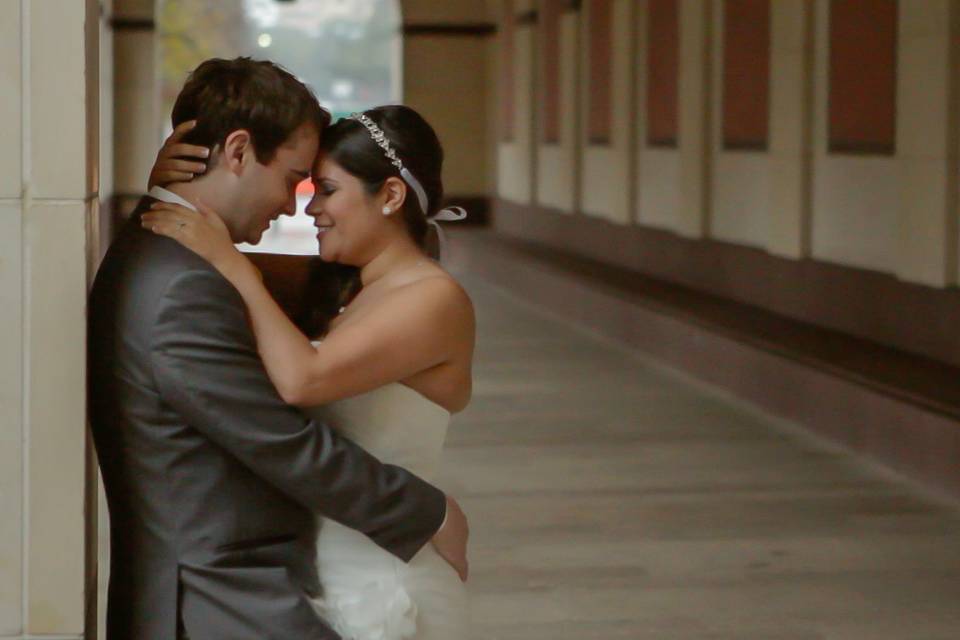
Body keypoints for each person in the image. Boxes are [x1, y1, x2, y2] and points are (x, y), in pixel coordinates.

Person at [88, 58, 468, 640]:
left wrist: (172, 206)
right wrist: (427, 511)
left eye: (322, 189)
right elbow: (282, 434)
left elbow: (297, 328)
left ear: (390, 196)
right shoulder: (181, 277)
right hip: (221, 596)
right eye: (296, 178)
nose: (298, 206)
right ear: (238, 152)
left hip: (279, 581)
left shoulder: (178, 258)